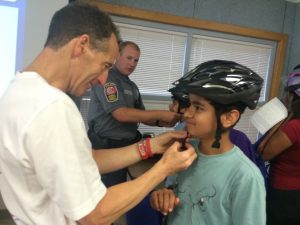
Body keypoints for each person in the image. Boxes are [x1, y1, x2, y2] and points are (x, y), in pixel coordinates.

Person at [0, 3, 197, 225]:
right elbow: (95, 214)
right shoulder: (53, 107)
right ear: (81, 45)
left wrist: (149, 147)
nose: (103, 79)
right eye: (104, 65)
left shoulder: (17, 91)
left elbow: (86, 160)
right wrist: (164, 168)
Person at [150, 60, 266, 225]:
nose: (187, 114)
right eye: (189, 104)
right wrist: (163, 196)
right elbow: (177, 194)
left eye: (198, 108)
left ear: (228, 118)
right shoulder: (184, 153)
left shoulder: (246, 177)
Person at [87, 41, 181, 187]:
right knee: (106, 191)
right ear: (118, 56)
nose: (132, 63)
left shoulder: (132, 86)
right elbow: (121, 114)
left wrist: (161, 122)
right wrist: (161, 114)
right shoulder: (107, 79)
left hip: (125, 146)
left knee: (119, 187)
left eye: (136, 60)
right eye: (129, 58)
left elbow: (140, 115)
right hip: (106, 145)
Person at [258, 67, 300, 225]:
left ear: (292, 96)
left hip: (285, 194)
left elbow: (264, 153)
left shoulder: (294, 126)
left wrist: (283, 118)